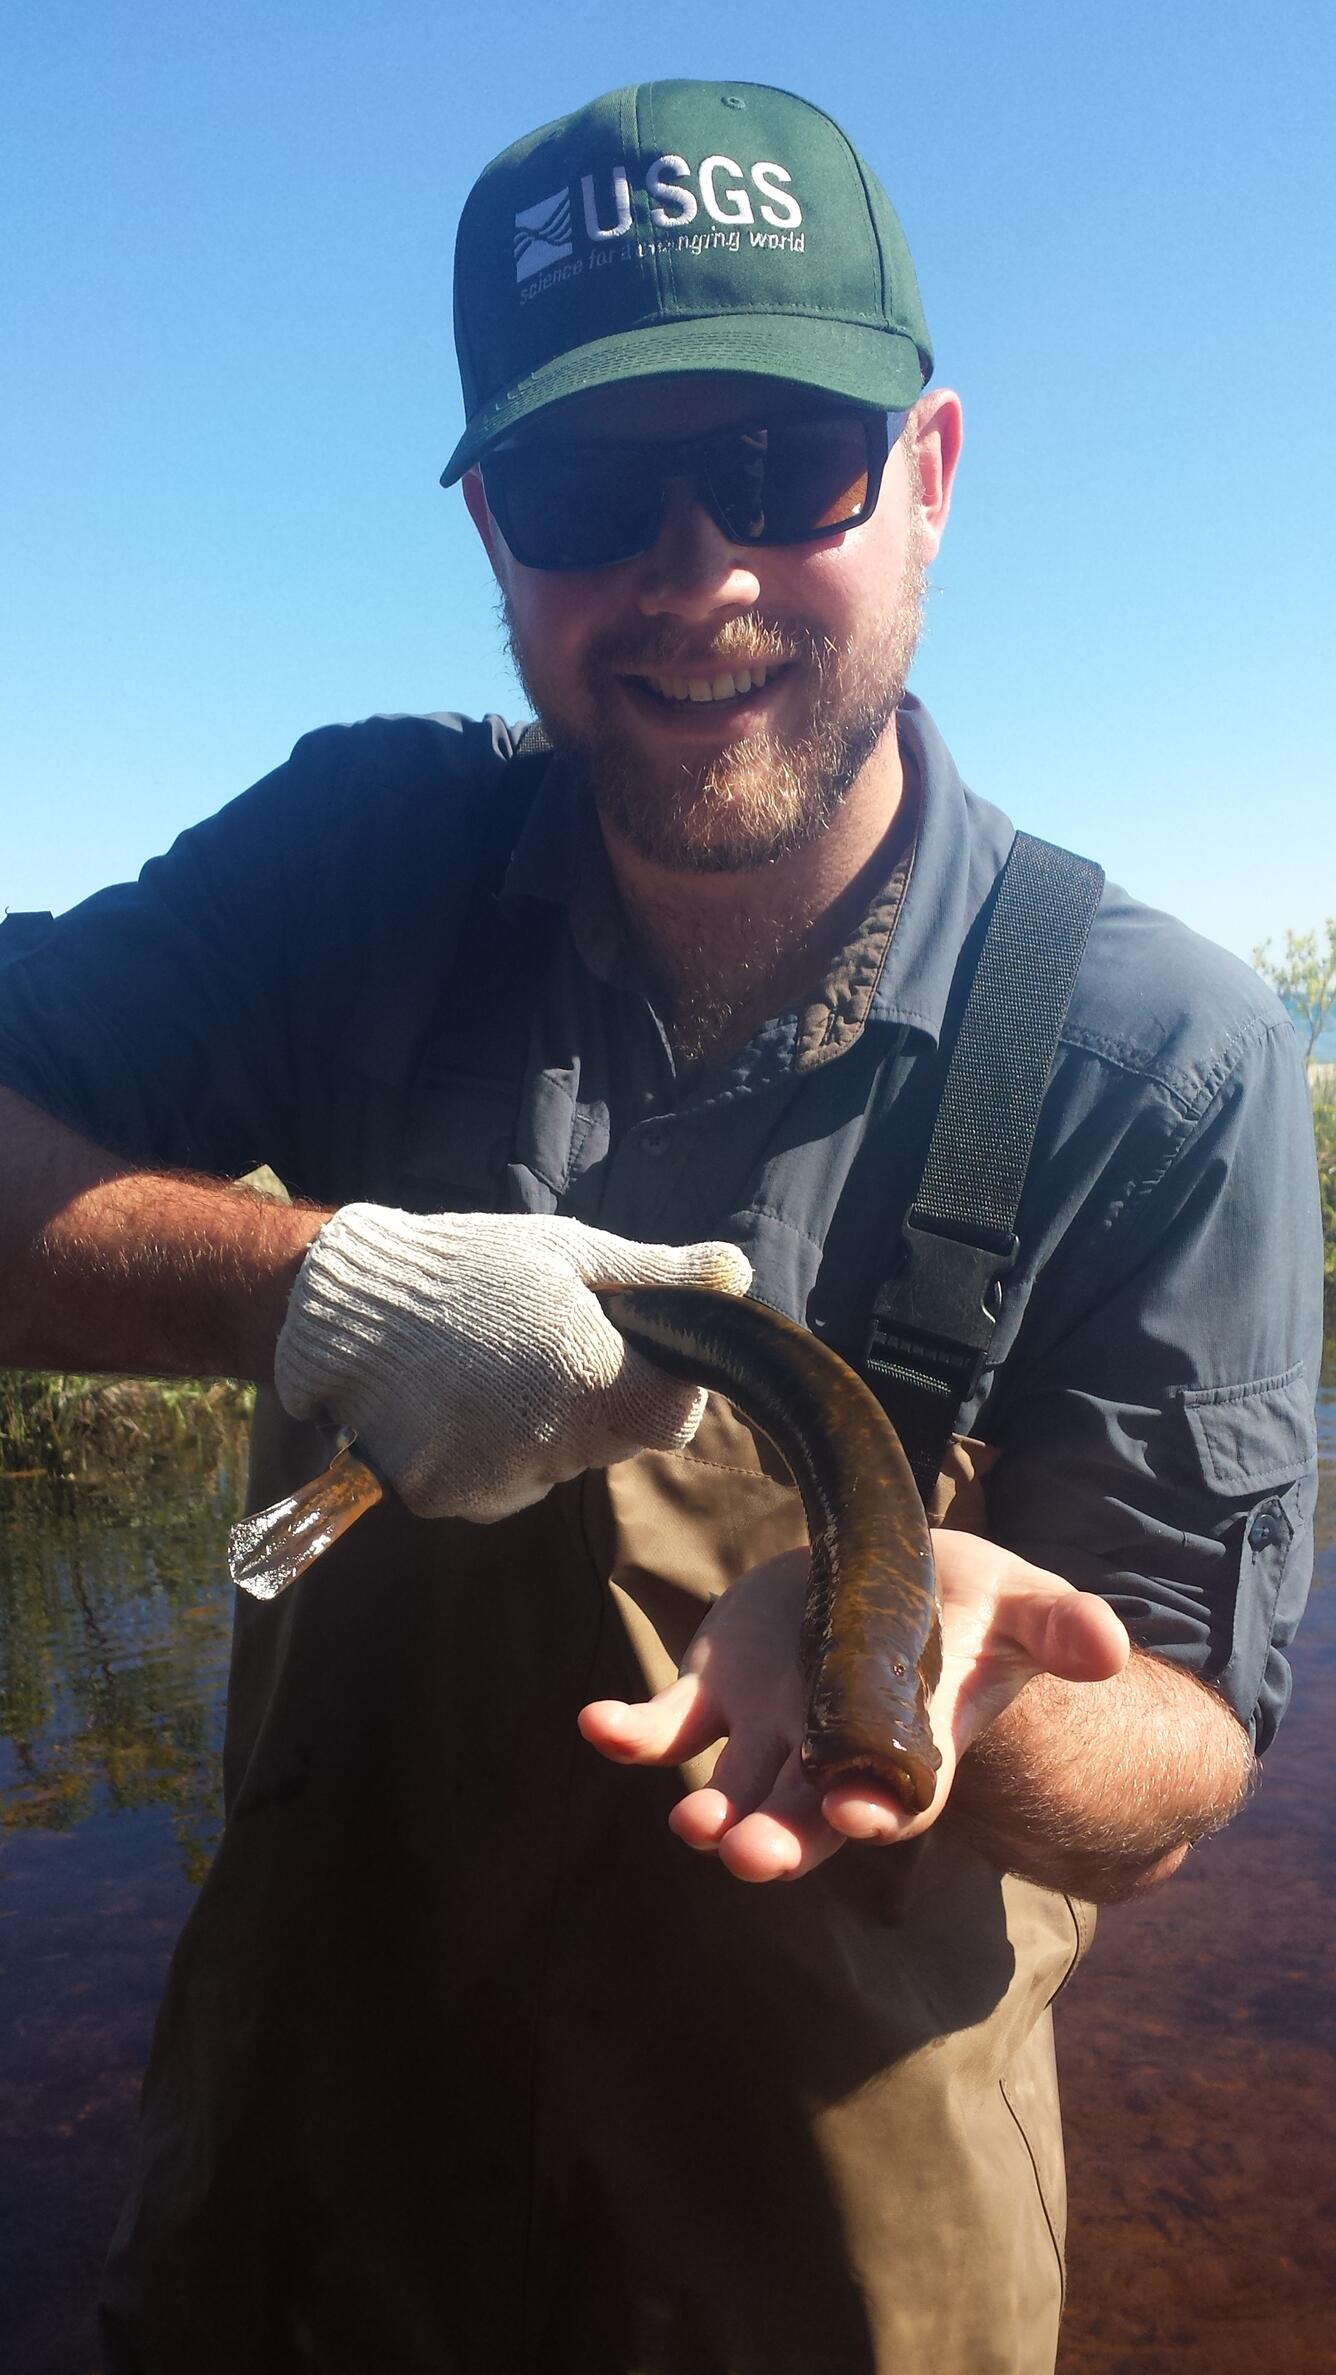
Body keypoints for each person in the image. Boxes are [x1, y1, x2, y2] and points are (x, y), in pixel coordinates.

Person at [0, 76, 1322, 2375]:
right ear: (495, 531)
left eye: (786, 467)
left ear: (921, 477)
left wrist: (981, 1705)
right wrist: (314, 1285)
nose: (690, 567)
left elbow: (1175, 1772)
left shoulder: (1162, 1051)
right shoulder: (359, 859)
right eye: (594, 491)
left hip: (821, 2243)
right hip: (319, 2150)